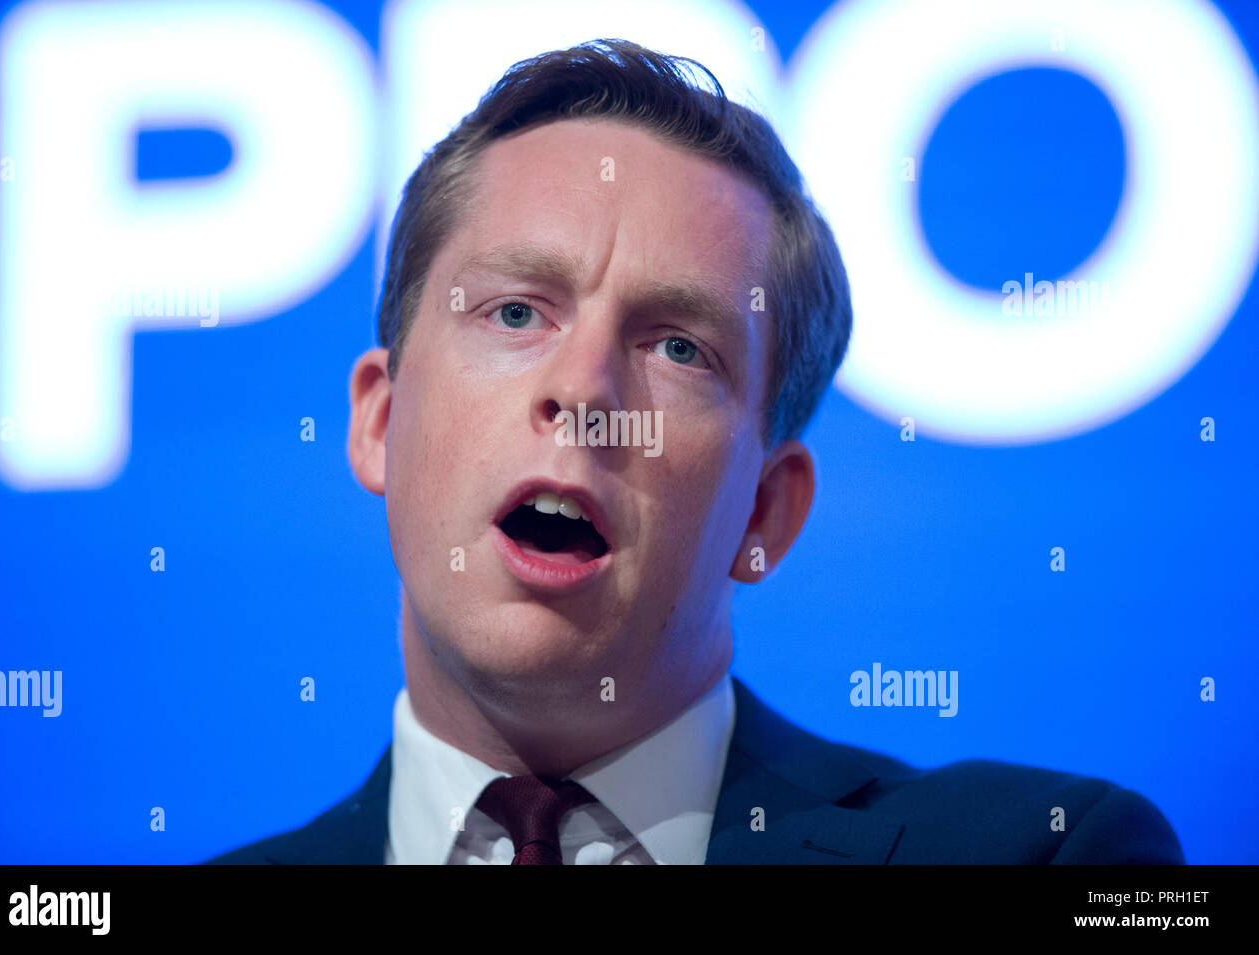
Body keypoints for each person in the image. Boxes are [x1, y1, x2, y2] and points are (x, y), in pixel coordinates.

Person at [209, 38, 1183, 865]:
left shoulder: (1044, 853)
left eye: (678, 347)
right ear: (380, 421)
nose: (586, 390)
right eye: (515, 312)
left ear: (764, 513)